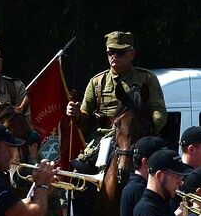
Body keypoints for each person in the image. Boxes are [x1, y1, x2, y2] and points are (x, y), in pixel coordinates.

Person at [66, 32, 167, 170]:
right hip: (105, 139)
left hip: (141, 137)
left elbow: (159, 110)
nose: (114, 56)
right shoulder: (97, 82)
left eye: (120, 52)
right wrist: (76, 115)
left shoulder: (147, 79)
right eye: (111, 52)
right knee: (80, 170)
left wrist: (148, 127)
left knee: (165, 169)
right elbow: (85, 120)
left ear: (132, 54)